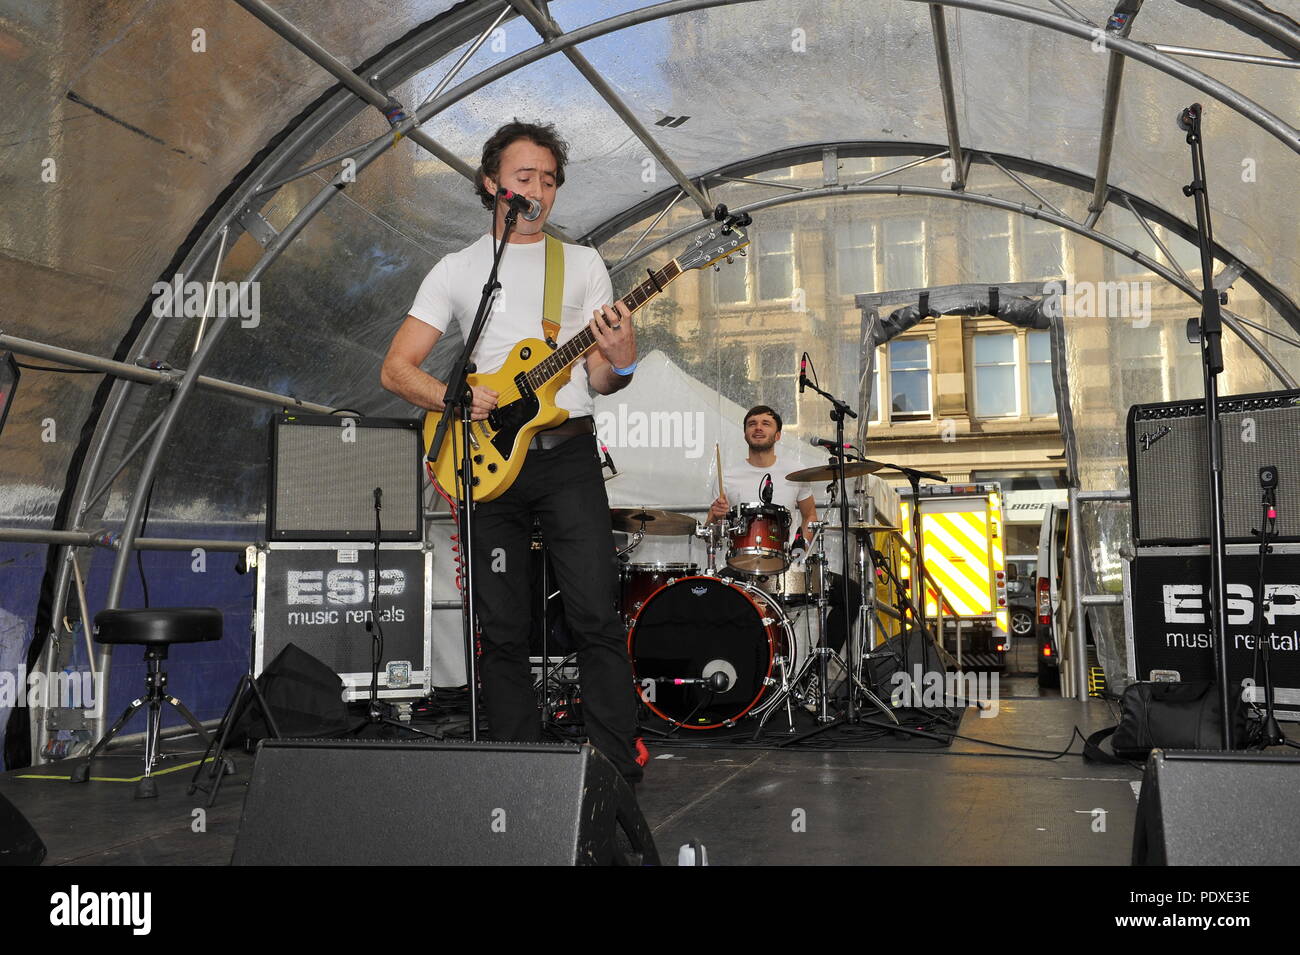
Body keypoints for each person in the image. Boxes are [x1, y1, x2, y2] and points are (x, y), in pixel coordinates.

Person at [380, 120, 642, 786]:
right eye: (526, 177)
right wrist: (453, 398)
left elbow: (601, 382)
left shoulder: (581, 265)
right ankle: (517, 766)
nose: (540, 190)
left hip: (567, 455)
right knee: (499, 622)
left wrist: (622, 357)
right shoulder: (460, 269)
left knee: (593, 612)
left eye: (550, 179)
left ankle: (614, 764)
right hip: (484, 462)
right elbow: (397, 369)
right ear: (492, 183)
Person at [708, 405, 861, 654]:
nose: (758, 427)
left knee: (850, 594)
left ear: (778, 435)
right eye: (752, 423)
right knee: (709, 599)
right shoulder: (728, 477)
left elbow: (810, 514)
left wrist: (802, 544)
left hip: (788, 566)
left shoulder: (795, 473)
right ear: (745, 433)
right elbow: (711, 530)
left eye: (766, 423)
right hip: (742, 569)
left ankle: (815, 672)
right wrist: (714, 516)